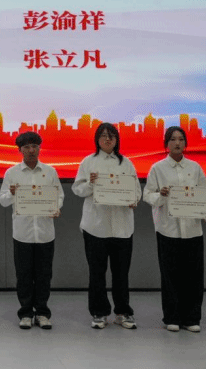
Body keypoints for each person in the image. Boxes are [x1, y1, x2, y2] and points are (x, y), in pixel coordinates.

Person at [72, 122, 141, 330]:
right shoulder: (88, 162)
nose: (107, 139)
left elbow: (136, 191)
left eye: (111, 135)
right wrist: (91, 183)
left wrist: (133, 200)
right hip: (95, 226)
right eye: (103, 135)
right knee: (97, 273)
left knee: (121, 273)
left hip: (122, 227)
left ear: (117, 139)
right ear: (97, 140)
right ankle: (99, 312)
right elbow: (77, 189)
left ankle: (122, 312)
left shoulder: (126, 163)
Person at [143, 126, 206, 333]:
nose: (177, 143)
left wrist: (205, 213)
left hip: (192, 230)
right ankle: (172, 317)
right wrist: (161, 195)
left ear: (186, 143)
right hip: (167, 229)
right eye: (172, 139)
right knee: (170, 276)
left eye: (181, 139)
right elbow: (147, 195)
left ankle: (192, 318)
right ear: (166, 144)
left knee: (193, 276)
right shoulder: (158, 168)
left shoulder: (195, 168)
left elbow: (204, 195)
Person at [0, 131, 64, 330]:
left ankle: (42, 313)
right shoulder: (12, 173)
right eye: (26, 147)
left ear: (39, 148)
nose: (31, 150)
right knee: (24, 275)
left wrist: (56, 207)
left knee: (44, 275)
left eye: (34, 146)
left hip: (45, 233)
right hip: (22, 233)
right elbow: (2, 200)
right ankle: (26, 313)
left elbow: (59, 195)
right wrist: (11, 194)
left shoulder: (50, 172)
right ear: (20, 150)